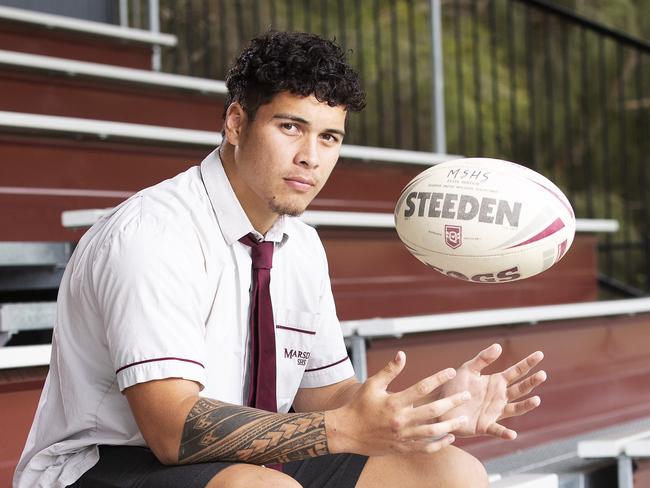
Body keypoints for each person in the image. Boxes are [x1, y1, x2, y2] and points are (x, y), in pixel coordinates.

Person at [14, 31, 546, 488]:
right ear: (236, 123)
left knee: (450, 473)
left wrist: (431, 409)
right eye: (290, 127)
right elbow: (169, 428)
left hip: (244, 460)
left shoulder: (301, 245)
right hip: (104, 465)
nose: (310, 157)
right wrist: (340, 431)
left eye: (329, 137)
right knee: (261, 486)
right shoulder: (154, 233)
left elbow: (326, 397)